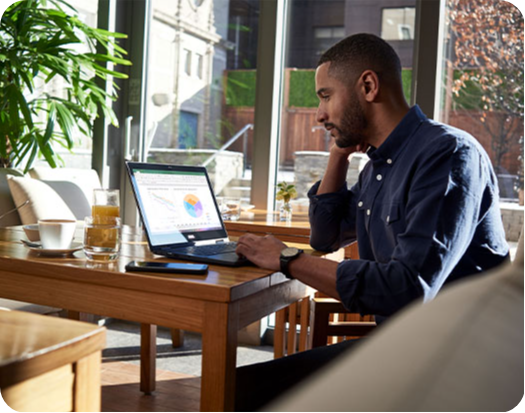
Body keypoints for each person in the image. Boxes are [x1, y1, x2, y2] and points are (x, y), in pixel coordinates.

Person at [234, 33, 509, 411]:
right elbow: (326, 234)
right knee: (234, 389)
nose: (319, 114)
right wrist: (339, 155)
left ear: (367, 85)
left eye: (326, 96)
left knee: (246, 395)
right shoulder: (378, 167)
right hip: (405, 349)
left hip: (458, 366)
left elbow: (408, 289)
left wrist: (287, 259)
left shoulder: (447, 153)